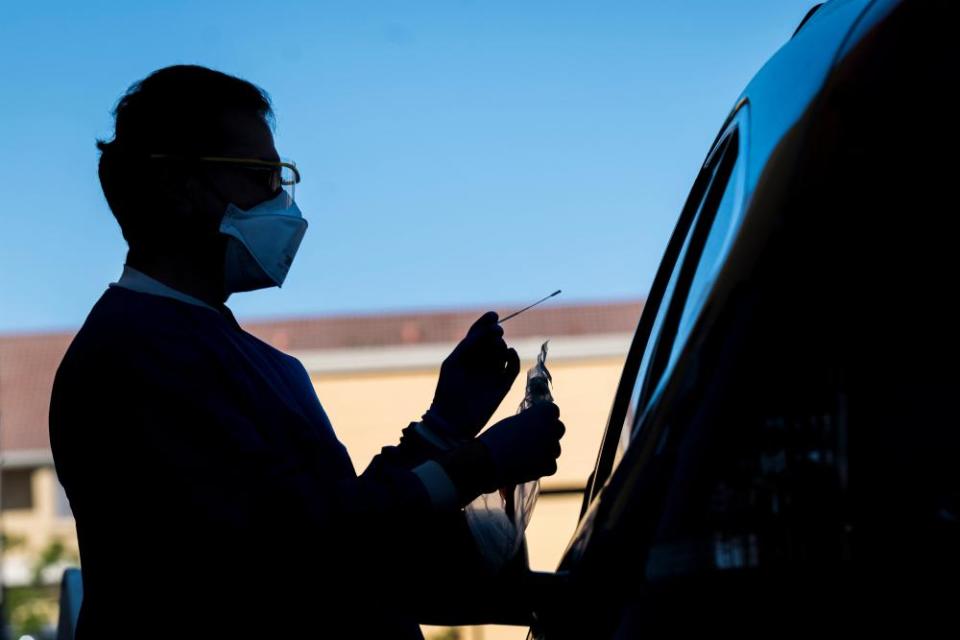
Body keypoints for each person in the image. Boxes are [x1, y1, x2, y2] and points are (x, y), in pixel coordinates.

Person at [48, 64, 566, 639]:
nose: (283, 202)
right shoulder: (128, 360)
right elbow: (293, 556)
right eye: (263, 176)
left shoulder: (246, 357)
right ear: (180, 186)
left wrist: (446, 424)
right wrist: (478, 463)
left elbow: (354, 539)